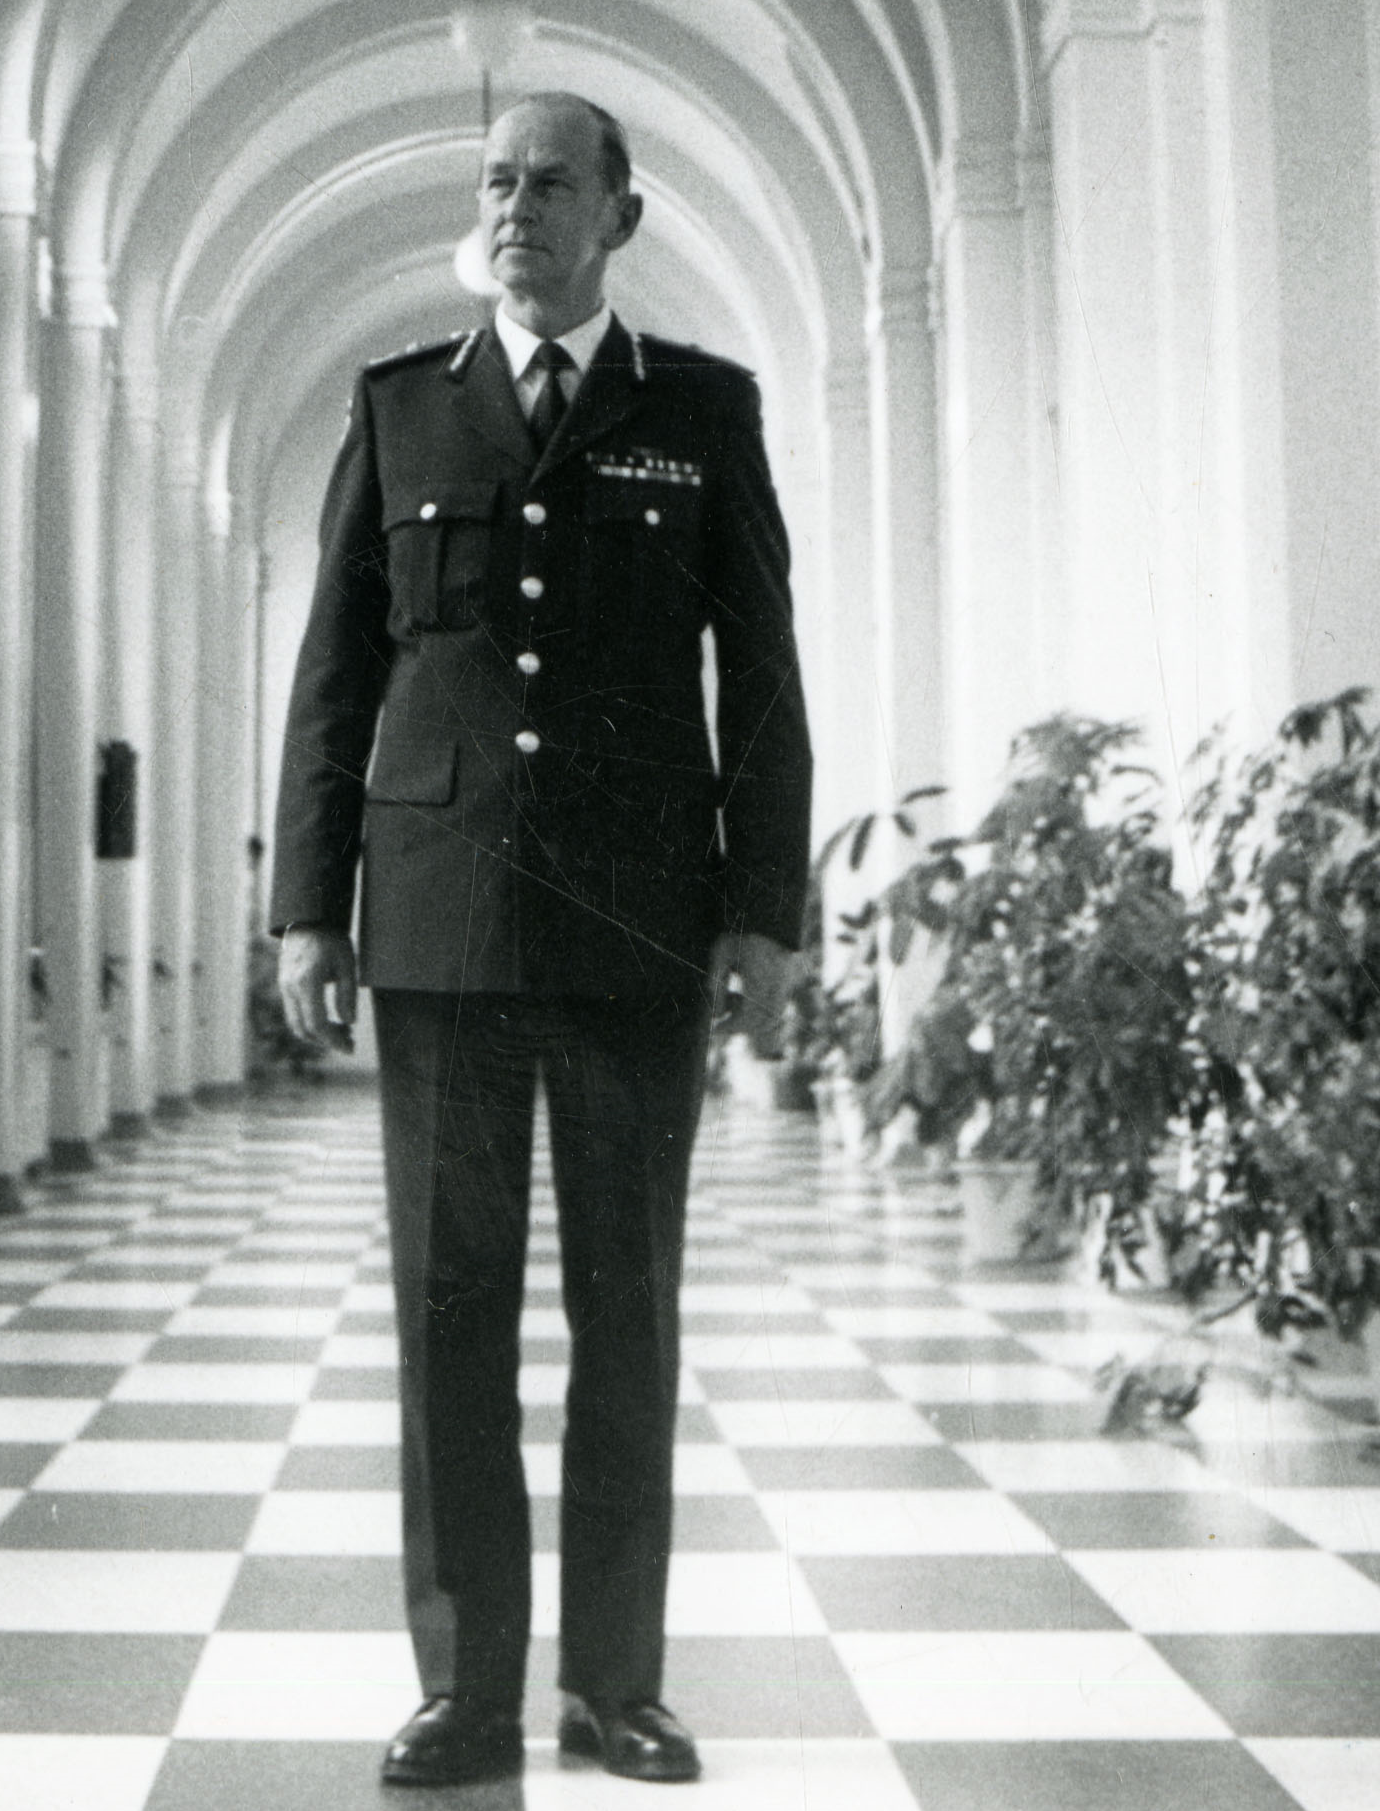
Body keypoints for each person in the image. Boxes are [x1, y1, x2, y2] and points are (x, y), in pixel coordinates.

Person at [268, 91, 811, 1789]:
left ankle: (615, 1685)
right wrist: (305, 905)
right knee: (451, 1313)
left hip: (638, 927)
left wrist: (765, 914)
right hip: (436, 927)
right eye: (498, 183)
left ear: (620, 218)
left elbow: (768, 683)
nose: (518, 207)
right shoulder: (401, 408)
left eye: (553, 183)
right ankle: (465, 1684)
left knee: (627, 1314)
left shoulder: (703, 413)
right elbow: (335, 678)